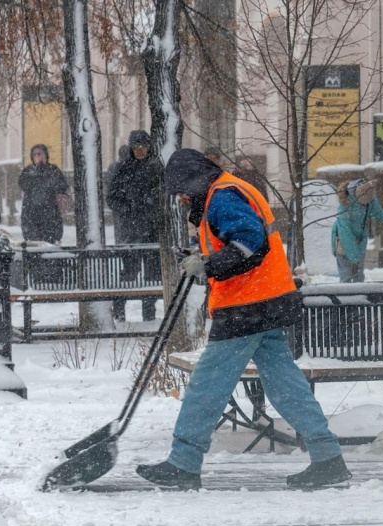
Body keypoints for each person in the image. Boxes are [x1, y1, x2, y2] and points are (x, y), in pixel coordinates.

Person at [136, 148, 351, 490]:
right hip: (266, 299)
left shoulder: (222, 197)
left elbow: (251, 242)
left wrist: (208, 266)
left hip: (246, 305)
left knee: (207, 384)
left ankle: (184, 463)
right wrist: (204, 255)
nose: (180, 199)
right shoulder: (226, 189)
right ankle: (328, 458)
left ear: (195, 181)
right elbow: (240, 243)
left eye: (181, 191)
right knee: (285, 385)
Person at [106, 130, 162, 322]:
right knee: (129, 273)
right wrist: (128, 208)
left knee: (152, 274)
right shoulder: (123, 169)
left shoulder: (155, 169)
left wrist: (151, 203)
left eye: (143, 147)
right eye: (136, 147)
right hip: (129, 231)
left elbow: (162, 195)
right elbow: (112, 198)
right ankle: (120, 311)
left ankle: (149, 312)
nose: (140, 151)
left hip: (152, 231)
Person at [331, 178, 383, 283]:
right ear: (357, 197)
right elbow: (345, 234)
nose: (365, 205)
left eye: (368, 202)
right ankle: (346, 298)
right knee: (346, 275)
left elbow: (379, 214)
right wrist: (355, 258)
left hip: (360, 241)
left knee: (359, 277)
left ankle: (359, 298)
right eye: (363, 203)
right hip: (342, 243)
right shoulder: (345, 206)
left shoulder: (370, 198)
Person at [18, 144, 68, 244]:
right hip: (31, 215)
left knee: (49, 244)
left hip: (50, 215)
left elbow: (61, 187)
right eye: (34, 154)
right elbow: (23, 184)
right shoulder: (28, 171)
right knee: (34, 244)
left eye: (39, 154)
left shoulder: (53, 170)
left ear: (45, 155)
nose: (37, 156)